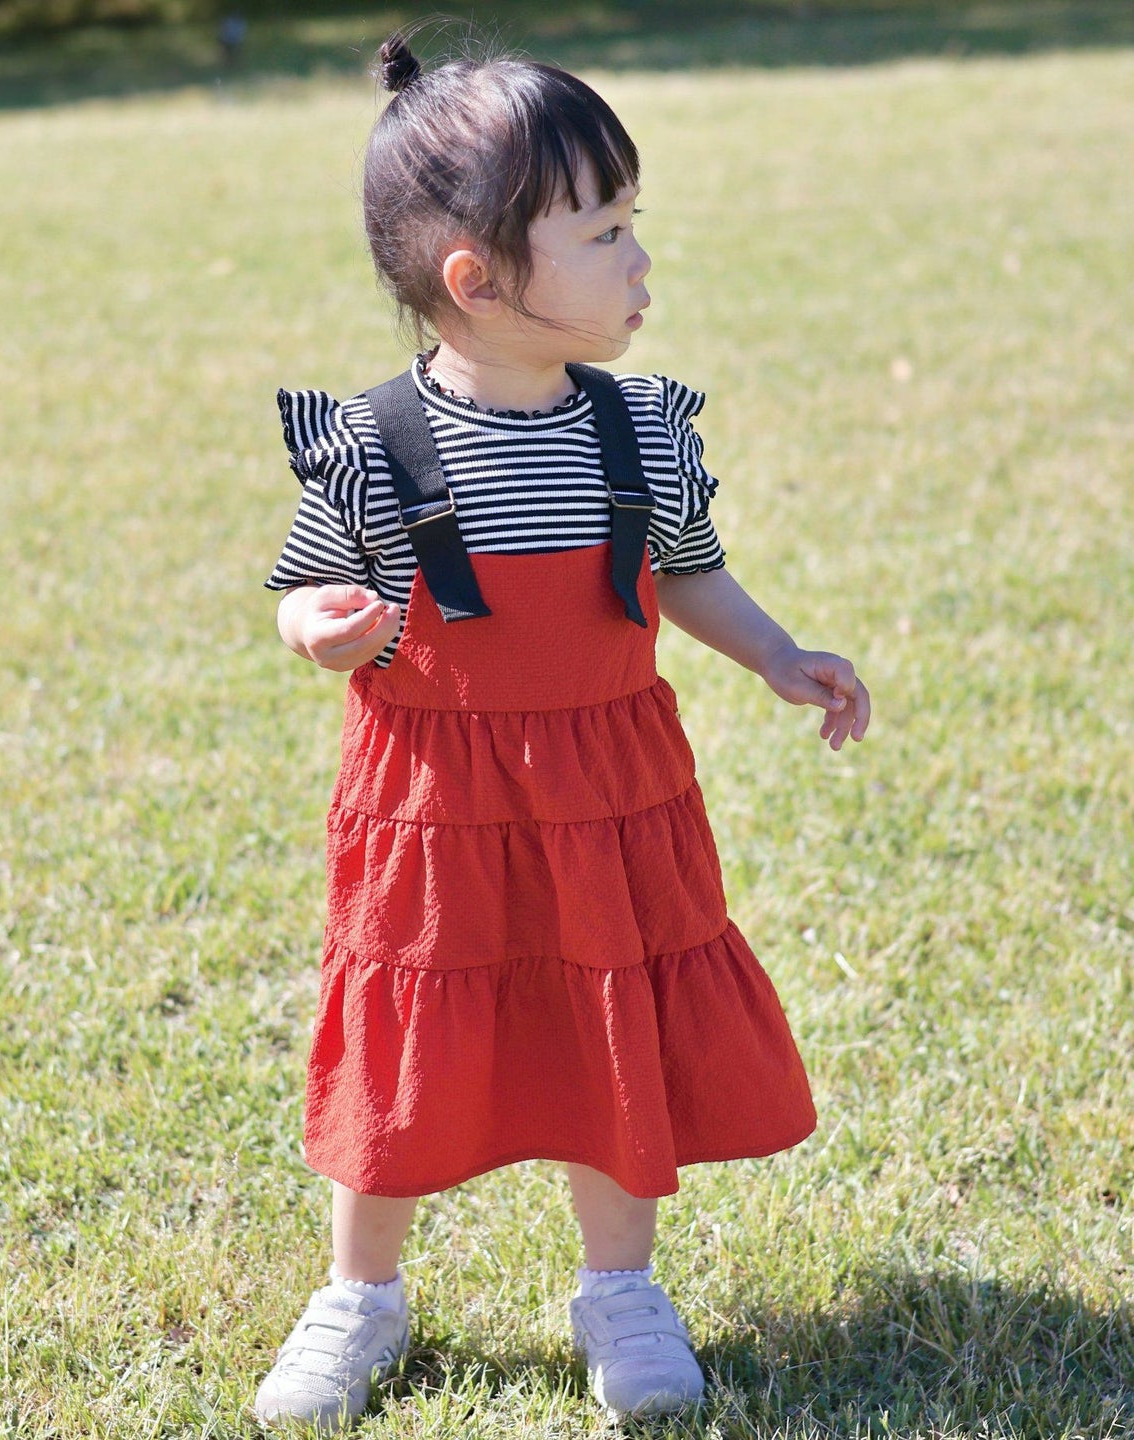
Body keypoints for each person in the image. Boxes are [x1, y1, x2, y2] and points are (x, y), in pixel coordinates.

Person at [254, 31, 870, 1434]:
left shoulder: (641, 430)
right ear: (476, 278)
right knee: (409, 1022)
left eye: (633, 223)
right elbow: (308, 589)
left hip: (607, 786)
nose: (640, 262)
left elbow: (685, 570)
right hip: (434, 803)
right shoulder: (373, 445)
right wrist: (322, 627)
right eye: (602, 233)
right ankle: (361, 1293)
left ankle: (620, 1290)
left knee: (612, 1012)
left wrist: (778, 653)